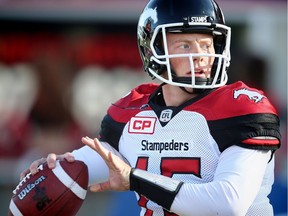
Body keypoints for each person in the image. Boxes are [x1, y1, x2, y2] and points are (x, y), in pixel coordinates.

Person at [22, 0, 282, 215]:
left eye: (206, 44)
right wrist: (54, 170)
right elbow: (93, 165)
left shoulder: (242, 108)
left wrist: (134, 179)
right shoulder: (131, 112)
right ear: (154, 49)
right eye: (185, 45)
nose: (202, 55)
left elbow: (228, 203)